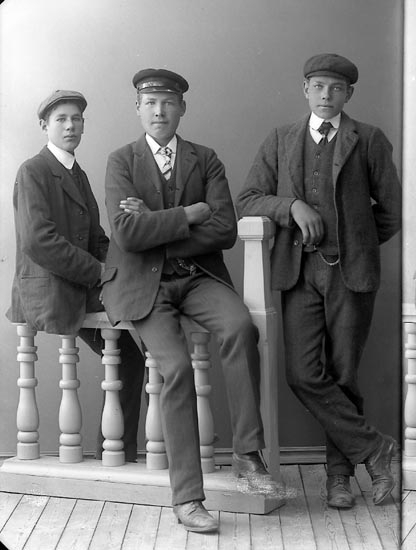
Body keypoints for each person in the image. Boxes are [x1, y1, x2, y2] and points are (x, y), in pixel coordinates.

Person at [101, 68, 276, 533]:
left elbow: (224, 230)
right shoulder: (121, 161)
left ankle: (247, 453)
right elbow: (127, 234)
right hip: (146, 287)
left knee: (240, 327)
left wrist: (156, 223)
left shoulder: (206, 159)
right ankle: (188, 499)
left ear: (182, 108)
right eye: (150, 103)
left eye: (168, 103)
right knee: (176, 369)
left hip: (199, 278)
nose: (159, 111)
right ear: (138, 109)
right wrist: (188, 214)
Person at [237, 53, 402, 509]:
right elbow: (248, 198)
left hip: (351, 274)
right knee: (304, 373)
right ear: (305, 90)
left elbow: (391, 212)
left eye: (336, 88)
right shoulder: (281, 139)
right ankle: (377, 449)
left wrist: (355, 241)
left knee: (344, 374)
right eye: (318, 86)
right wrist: (291, 206)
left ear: (349, 94)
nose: (326, 95)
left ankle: (339, 479)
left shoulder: (368, 139)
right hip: (299, 271)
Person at [6, 90, 145, 462]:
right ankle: (117, 455)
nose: (70, 126)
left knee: (131, 356)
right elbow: (39, 241)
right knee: (130, 355)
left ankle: (117, 454)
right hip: (52, 289)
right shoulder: (33, 170)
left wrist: (123, 268)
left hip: (76, 283)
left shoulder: (76, 173)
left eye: (77, 119)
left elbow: (96, 237)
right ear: (44, 125)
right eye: (61, 119)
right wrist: (99, 273)